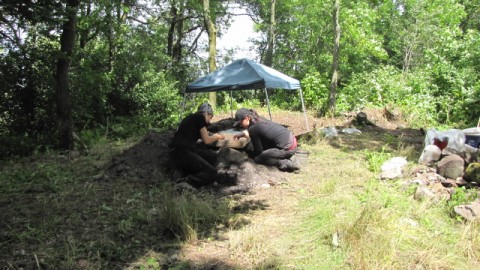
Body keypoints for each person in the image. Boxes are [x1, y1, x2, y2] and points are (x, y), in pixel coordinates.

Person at [170, 102, 225, 186]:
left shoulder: (192, 118)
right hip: (183, 152)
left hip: (178, 152)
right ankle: (186, 182)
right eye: (210, 117)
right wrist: (217, 137)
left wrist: (212, 135)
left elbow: (203, 134)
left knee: (212, 156)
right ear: (206, 113)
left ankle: (187, 174)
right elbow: (206, 140)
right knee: (212, 172)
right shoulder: (200, 117)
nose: (210, 121)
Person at [232, 108, 300, 172]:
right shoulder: (258, 119)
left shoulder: (253, 129)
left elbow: (258, 151)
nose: (240, 125)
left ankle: (286, 162)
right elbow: (260, 131)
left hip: (288, 148)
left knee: (258, 159)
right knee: (265, 148)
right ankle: (286, 156)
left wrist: (250, 154)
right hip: (291, 140)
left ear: (247, 118)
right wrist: (244, 134)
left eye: (240, 123)